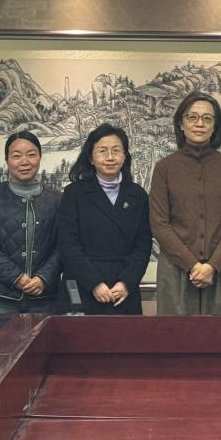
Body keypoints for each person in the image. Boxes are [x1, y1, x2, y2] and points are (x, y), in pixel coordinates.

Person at [149, 92, 221, 315]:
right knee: (175, 335)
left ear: (215, 126)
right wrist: (192, 265)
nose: (199, 124)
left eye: (207, 118)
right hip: (175, 270)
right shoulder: (164, 168)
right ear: (181, 124)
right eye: (192, 117)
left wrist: (212, 266)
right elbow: (159, 224)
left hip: (220, 269)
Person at [56, 123, 153, 315]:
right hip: (83, 287)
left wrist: (126, 283)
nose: (110, 157)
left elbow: (143, 245)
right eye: (102, 151)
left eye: (116, 151)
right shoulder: (74, 193)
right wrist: (94, 283)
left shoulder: (138, 195)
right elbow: (68, 243)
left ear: (124, 156)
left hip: (123, 290)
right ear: (91, 157)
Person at [0, 131, 62, 315]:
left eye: (31, 154)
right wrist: (16, 277)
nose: (24, 162)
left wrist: (43, 277)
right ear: (7, 160)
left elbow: (65, 244)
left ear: (40, 157)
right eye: (16, 156)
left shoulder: (57, 199)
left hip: (45, 298)